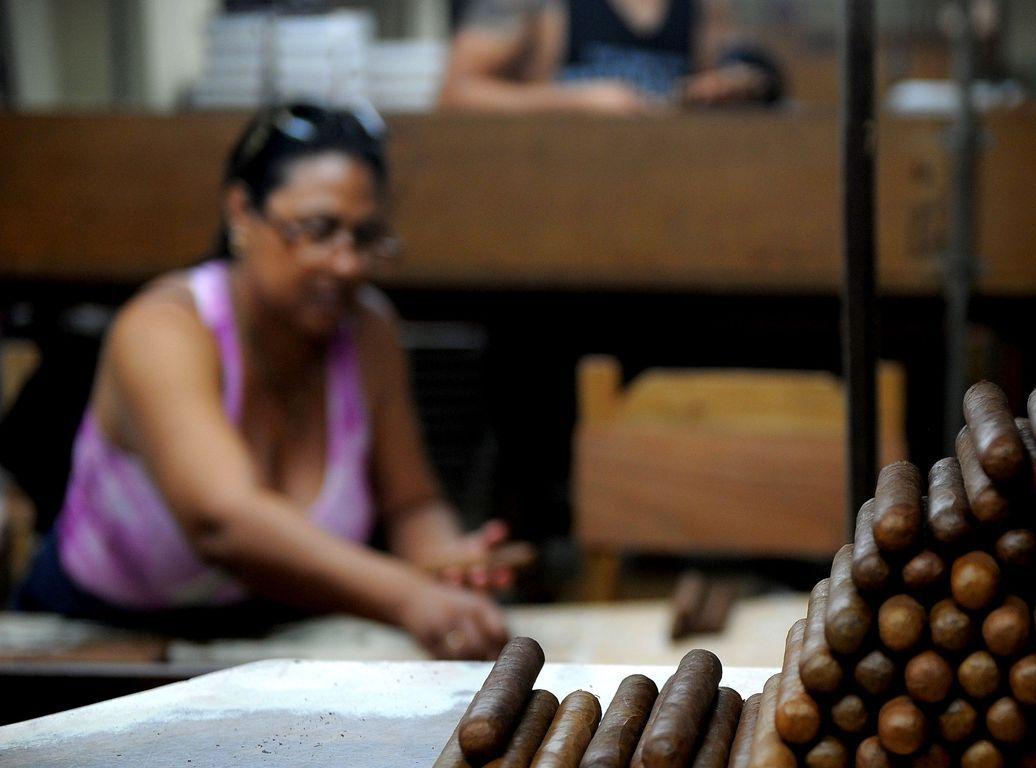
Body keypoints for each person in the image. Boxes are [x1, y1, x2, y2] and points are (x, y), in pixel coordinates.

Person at [14, 103, 511, 659]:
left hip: (281, 643)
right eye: (318, 230)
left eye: (365, 237)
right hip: (95, 644)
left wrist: (446, 565)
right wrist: (408, 596)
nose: (346, 264)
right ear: (242, 212)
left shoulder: (367, 330)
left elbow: (411, 504)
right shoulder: (164, 329)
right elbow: (221, 520)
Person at [438, 0, 783, 113]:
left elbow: (734, 69)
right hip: (560, 189)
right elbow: (455, 92)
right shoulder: (537, 7)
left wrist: (735, 85)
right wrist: (573, 101)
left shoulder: (704, 8)